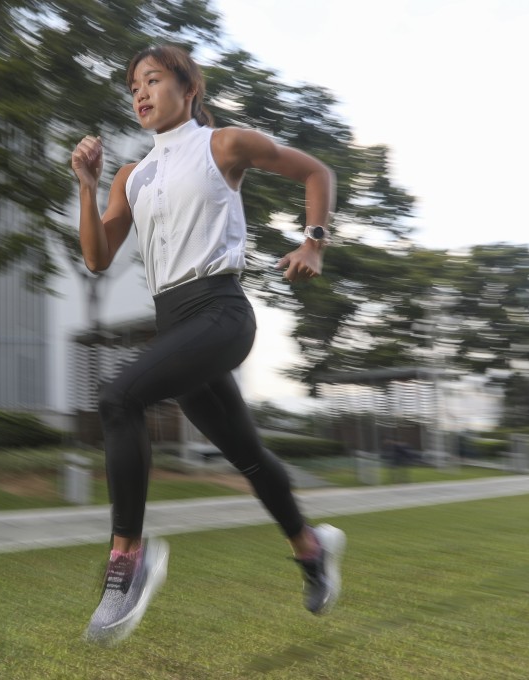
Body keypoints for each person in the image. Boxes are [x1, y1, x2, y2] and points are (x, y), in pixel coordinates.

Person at [70, 44, 346, 646]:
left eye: (152, 80)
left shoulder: (223, 145)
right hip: (176, 327)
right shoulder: (132, 177)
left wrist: (314, 243)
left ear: (187, 88)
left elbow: (316, 172)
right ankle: (311, 548)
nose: (140, 93)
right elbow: (95, 258)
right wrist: (88, 187)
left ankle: (128, 560)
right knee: (248, 457)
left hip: (221, 313)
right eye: (132, 87)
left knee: (118, 398)